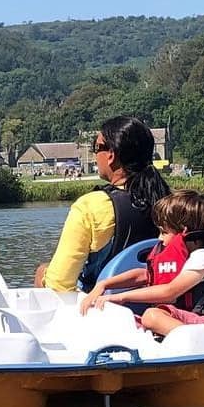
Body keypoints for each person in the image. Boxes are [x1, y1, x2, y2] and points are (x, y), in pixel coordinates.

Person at [80, 189, 204, 336]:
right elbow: (145, 274)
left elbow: (170, 292)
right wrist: (104, 285)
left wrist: (121, 297)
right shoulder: (184, 257)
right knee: (127, 321)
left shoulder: (203, 259)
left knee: (152, 316)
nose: (159, 238)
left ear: (184, 231)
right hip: (186, 320)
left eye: (164, 232)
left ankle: (196, 345)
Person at [34, 115, 171, 292]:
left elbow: (59, 284)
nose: (94, 153)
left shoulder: (92, 206)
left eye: (96, 148)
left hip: (105, 308)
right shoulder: (170, 201)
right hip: (157, 302)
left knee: (42, 273)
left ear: (111, 155)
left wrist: (44, 275)